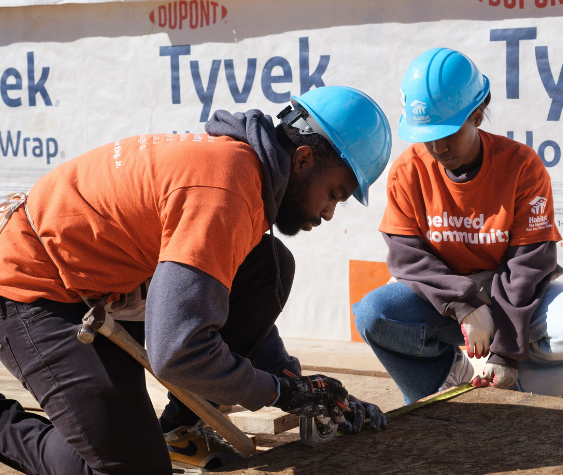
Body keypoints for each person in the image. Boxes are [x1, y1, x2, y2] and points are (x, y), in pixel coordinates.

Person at [0, 85, 392, 475]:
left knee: (268, 268)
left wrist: (299, 384)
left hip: (102, 284)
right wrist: (282, 393)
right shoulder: (224, 189)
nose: (329, 213)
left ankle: (179, 428)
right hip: (34, 285)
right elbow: (177, 352)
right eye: (335, 194)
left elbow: (213, 303)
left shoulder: (243, 170)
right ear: (303, 159)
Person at [352, 48, 563, 405]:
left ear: (477, 116)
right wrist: (465, 305)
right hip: (443, 299)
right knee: (374, 314)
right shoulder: (408, 170)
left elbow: (529, 265)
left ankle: (517, 395)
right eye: (426, 134)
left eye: (447, 131)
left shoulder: (521, 165)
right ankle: (442, 386)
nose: (437, 146)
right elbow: (407, 260)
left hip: (510, 295)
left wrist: (506, 352)